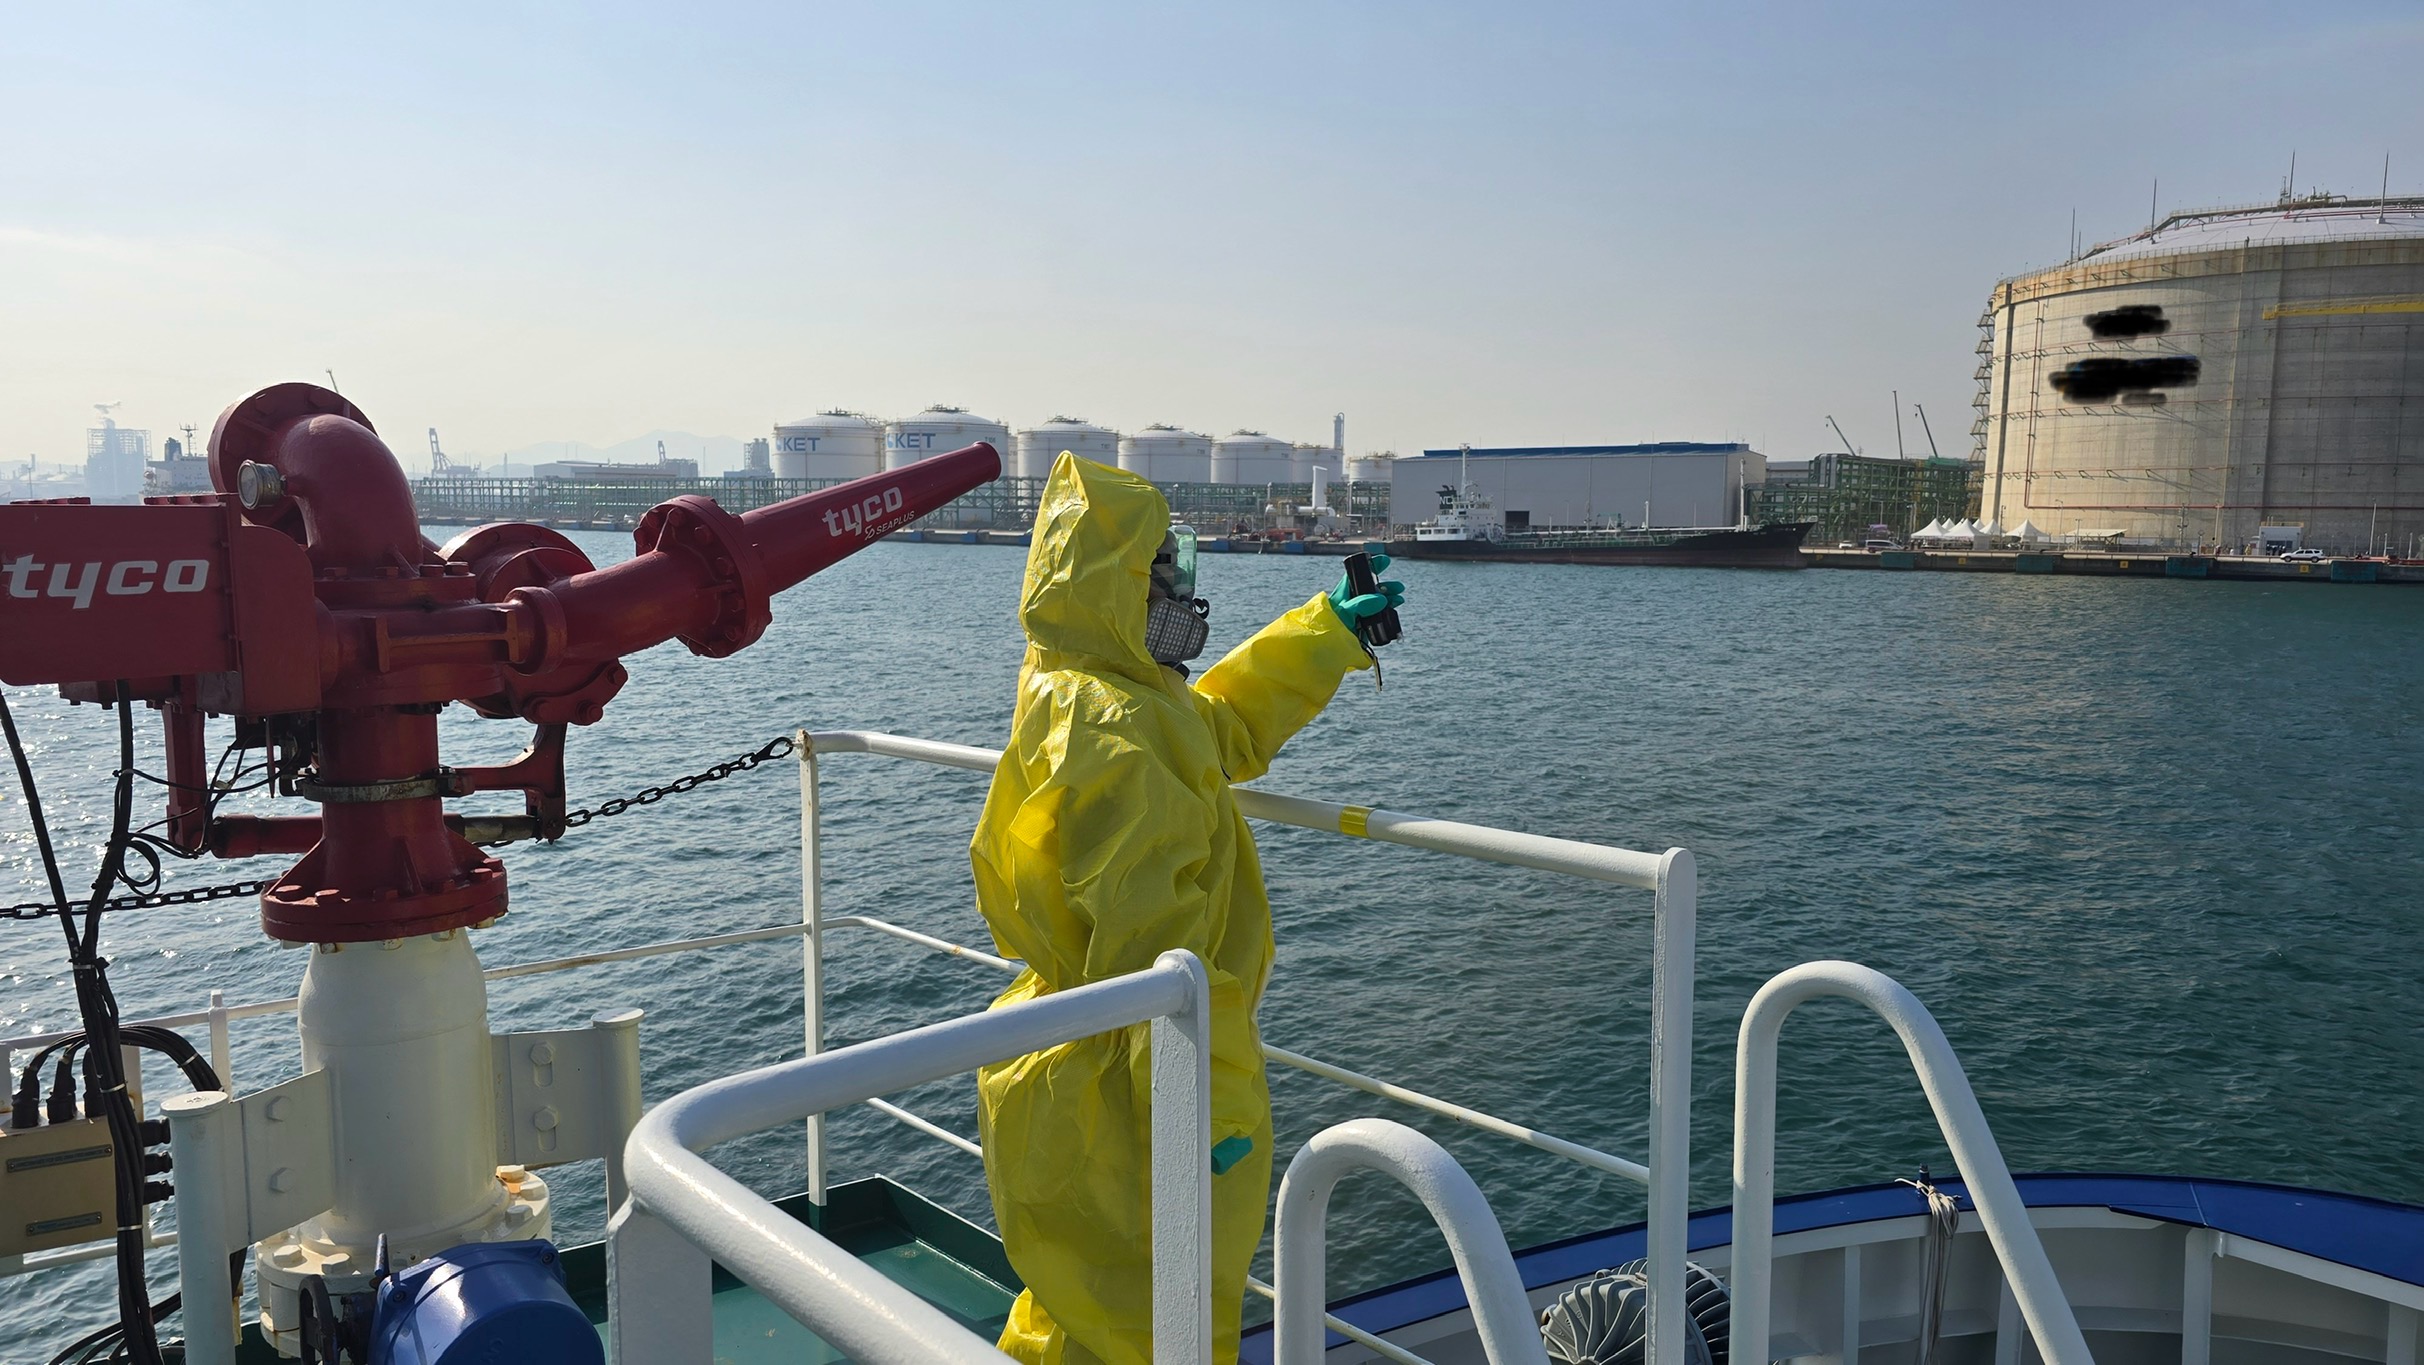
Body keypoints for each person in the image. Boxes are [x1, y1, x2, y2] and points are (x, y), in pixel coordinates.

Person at [971, 453, 1405, 1365]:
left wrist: (1325, 631)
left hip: (1070, 1061)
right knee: (1158, 1319)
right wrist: (1212, 1123)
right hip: (1134, 1087)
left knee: (1078, 1306)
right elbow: (1157, 969)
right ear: (1121, 587)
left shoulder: (1086, 683)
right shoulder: (1120, 731)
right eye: (1165, 571)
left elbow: (1216, 727)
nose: (1182, 592)